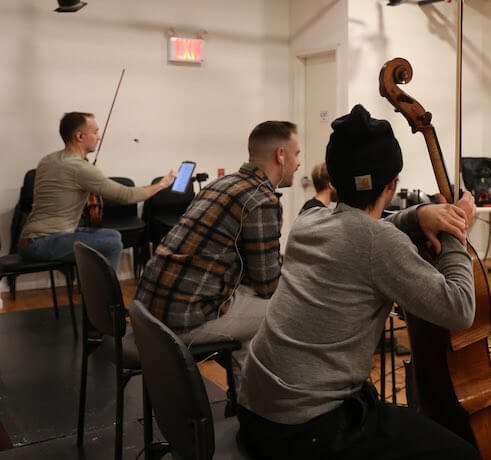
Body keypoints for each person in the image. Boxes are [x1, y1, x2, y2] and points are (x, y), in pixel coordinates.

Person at [238, 104, 481, 460]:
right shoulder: (378, 243)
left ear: (332, 180)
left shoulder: (309, 219)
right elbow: (460, 309)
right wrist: (456, 234)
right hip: (304, 429)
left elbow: (365, 230)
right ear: (393, 183)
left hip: (256, 409)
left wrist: (419, 214)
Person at [135, 120, 301, 378]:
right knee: (286, 311)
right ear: (281, 155)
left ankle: (246, 397)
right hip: (182, 319)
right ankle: (257, 401)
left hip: (149, 311)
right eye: (297, 154)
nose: (299, 162)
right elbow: (267, 285)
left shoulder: (220, 183)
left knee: (251, 329)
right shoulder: (261, 200)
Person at [19, 112, 175, 270]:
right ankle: (105, 293)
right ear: (79, 136)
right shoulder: (78, 168)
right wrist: (162, 184)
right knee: (111, 243)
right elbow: (127, 196)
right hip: (42, 243)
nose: (99, 137)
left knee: (112, 235)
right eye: (95, 132)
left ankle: (92, 290)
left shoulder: (49, 159)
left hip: (32, 238)